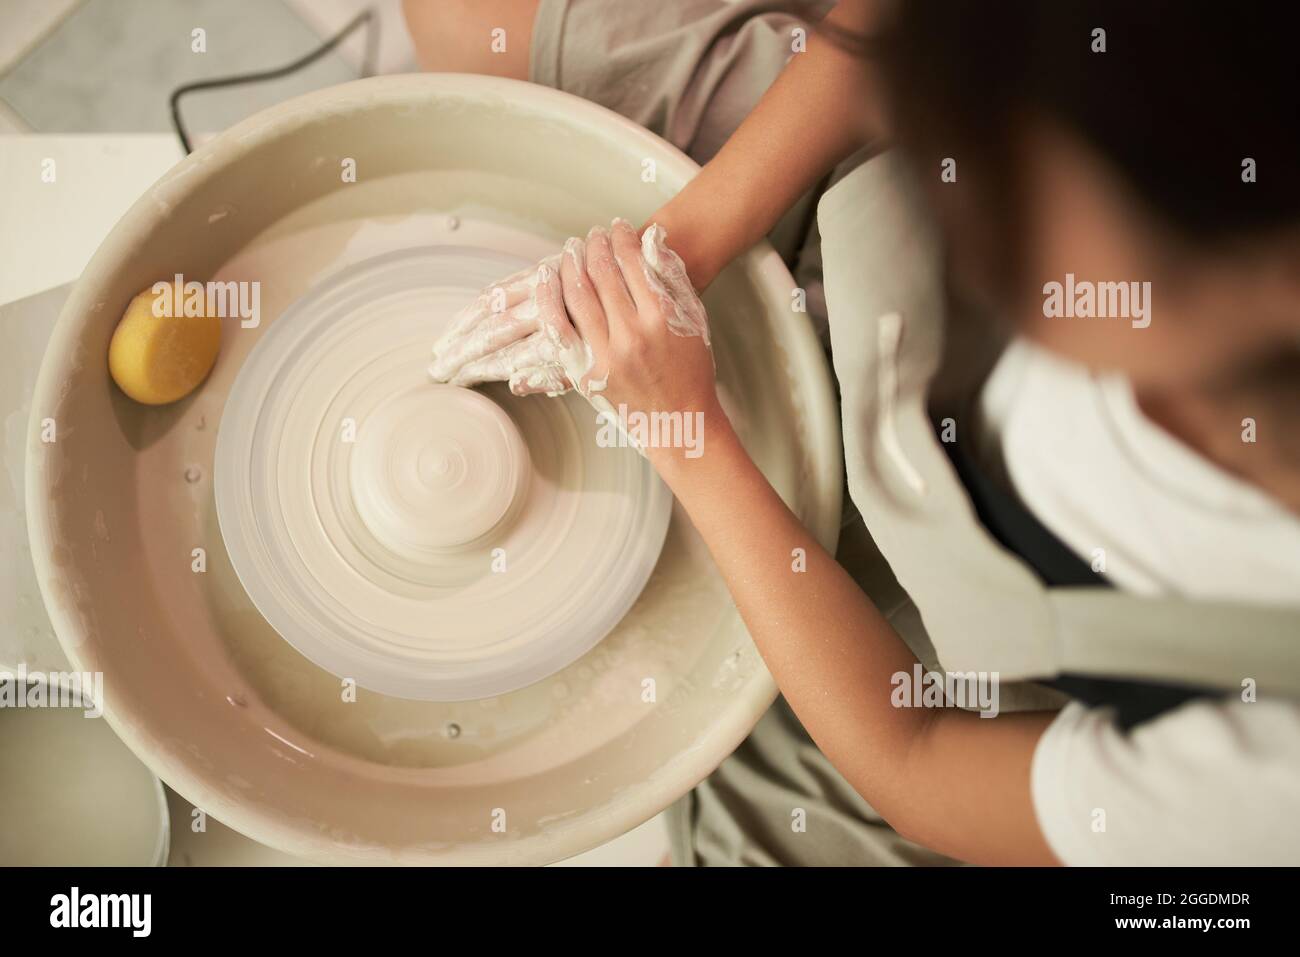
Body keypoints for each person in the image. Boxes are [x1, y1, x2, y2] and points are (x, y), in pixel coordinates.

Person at [404, 0, 1300, 865]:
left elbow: (915, 756)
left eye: (1016, 212)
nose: (977, 197)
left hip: (961, 650)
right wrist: (677, 248)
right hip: (870, 261)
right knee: (459, 16)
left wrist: (688, 436)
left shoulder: (1265, 776)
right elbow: (904, 35)